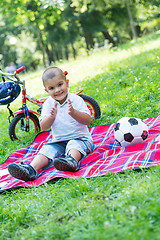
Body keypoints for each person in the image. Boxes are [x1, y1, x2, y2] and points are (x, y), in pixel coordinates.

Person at [8, 67, 93, 181]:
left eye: (60, 85)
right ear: (46, 91)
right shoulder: (48, 104)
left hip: (80, 138)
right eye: (52, 88)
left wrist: (73, 113)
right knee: (47, 149)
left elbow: (88, 120)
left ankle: (71, 161)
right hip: (59, 141)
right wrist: (51, 117)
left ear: (67, 83)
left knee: (74, 145)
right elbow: (44, 127)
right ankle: (31, 169)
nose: (57, 90)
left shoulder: (76, 100)